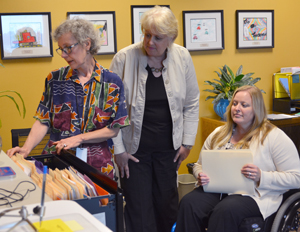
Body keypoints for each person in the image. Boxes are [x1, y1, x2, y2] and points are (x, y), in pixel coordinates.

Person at [109, 5, 200, 232]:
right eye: (147, 34)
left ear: (171, 38)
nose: (150, 42)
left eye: (158, 37)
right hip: (133, 153)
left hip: (169, 152)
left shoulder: (183, 57)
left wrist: (187, 143)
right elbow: (111, 110)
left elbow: (191, 103)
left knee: (167, 208)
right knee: (140, 213)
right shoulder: (124, 58)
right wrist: (118, 150)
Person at [7, 18, 130, 179]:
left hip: (98, 167)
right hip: (58, 164)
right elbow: (43, 119)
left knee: (98, 203)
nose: (64, 55)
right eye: (61, 49)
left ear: (87, 44)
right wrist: (26, 149)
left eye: (68, 48)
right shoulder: (55, 78)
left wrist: (78, 138)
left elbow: (113, 129)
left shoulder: (112, 82)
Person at [175, 85, 300, 232]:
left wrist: (261, 176)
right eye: (234, 103)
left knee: (226, 210)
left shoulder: (274, 137)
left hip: (255, 195)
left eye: (244, 105)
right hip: (218, 191)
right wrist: (199, 174)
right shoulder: (218, 134)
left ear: (256, 109)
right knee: (189, 202)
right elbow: (198, 165)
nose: (237, 108)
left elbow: (296, 177)